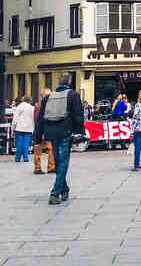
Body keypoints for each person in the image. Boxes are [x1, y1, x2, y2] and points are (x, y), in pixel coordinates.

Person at [37, 75, 84, 204]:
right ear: (69, 82)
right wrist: (80, 133)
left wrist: (37, 137)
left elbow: (40, 117)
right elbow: (78, 115)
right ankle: (55, 192)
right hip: (65, 131)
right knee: (62, 161)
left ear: (58, 82)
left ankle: (64, 189)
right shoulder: (73, 95)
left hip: (51, 132)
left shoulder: (48, 97)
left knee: (58, 161)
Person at [11, 96, 34, 162]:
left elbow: (15, 118)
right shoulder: (32, 108)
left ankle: (17, 158)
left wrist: (13, 127)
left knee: (19, 144)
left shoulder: (19, 106)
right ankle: (25, 158)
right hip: (29, 128)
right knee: (26, 144)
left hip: (19, 127)